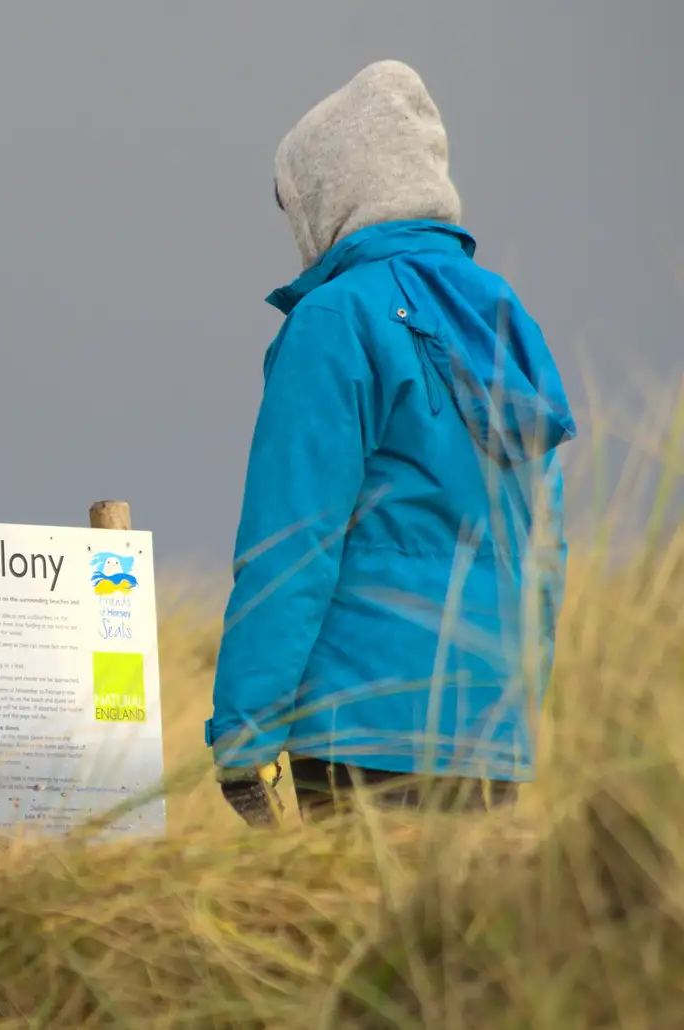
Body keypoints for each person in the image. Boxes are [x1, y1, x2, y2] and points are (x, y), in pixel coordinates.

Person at [205, 60, 577, 825]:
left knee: (366, 947)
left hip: (361, 730)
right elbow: (545, 547)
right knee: (457, 948)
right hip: (489, 734)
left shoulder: (336, 319)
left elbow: (291, 543)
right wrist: (514, 705)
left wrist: (243, 738)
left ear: (331, 191)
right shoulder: (505, 316)